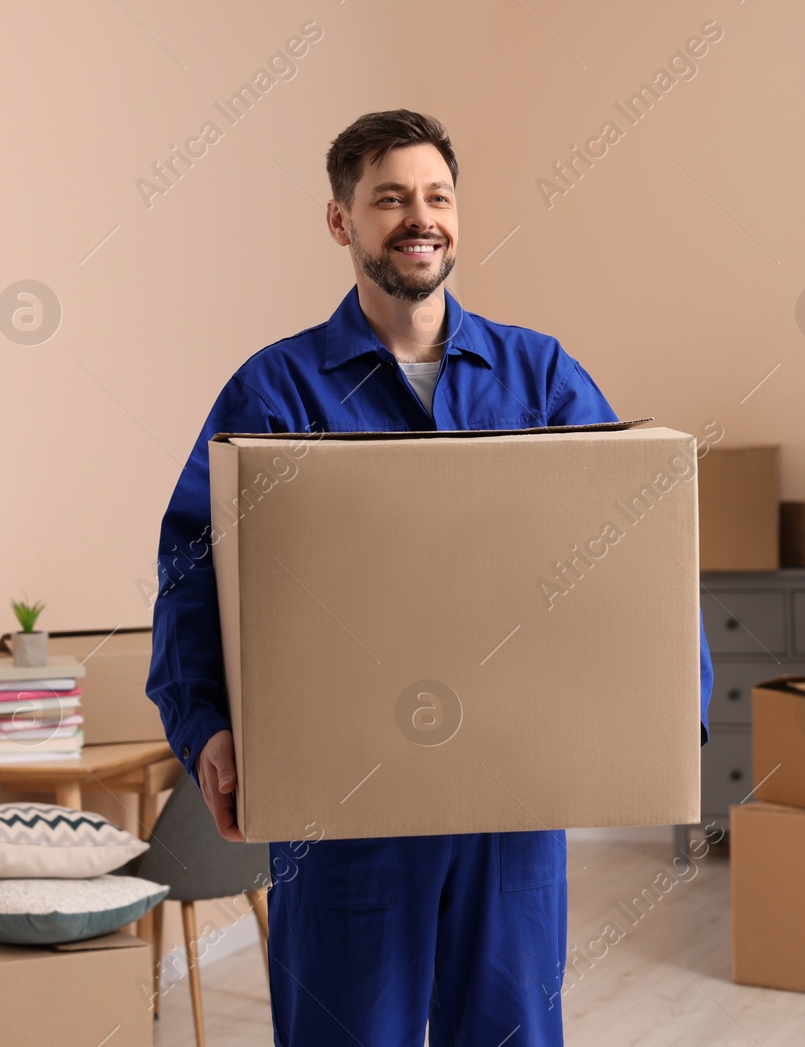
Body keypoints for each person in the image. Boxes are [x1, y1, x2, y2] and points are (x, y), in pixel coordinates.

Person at [143, 109, 715, 1046]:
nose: (421, 218)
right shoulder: (277, 389)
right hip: (343, 804)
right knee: (346, 1032)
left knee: (510, 1030)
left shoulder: (539, 375)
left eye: (438, 196)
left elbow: (639, 540)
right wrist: (204, 722)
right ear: (342, 222)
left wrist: (668, 712)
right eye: (391, 198)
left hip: (513, 795)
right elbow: (193, 563)